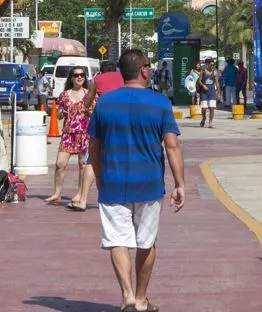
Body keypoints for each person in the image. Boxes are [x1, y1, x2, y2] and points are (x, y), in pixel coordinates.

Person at [88, 49, 184, 312]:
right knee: (146, 241)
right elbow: (172, 146)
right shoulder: (160, 103)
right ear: (143, 70)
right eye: (149, 67)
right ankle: (141, 299)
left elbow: (94, 147)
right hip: (149, 184)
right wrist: (180, 184)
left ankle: (128, 295)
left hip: (113, 182)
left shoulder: (104, 103)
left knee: (117, 239)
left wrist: (99, 176)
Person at [70, 60, 125, 212]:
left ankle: (83, 199)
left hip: (104, 119)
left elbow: (87, 102)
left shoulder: (96, 80)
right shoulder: (124, 78)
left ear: (101, 71)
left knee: (91, 159)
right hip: (124, 121)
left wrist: (88, 107)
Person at [44, 68, 92, 205]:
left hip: (84, 133)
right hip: (68, 134)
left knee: (83, 164)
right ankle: (57, 193)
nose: (79, 77)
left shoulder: (89, 95)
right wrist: (60, 112)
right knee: (60, 164)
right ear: (71, 78)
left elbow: (95, 114)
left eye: (82, 75)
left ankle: (80, 194)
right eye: (76, 75)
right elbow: (60, 115)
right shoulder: (64, 95)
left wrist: (89, 112)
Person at [197, 59, 218, 128]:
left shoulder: (215, 72)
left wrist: (218, 93)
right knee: (204, 108)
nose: (212, 66)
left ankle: (210, 123)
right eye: (211, 65)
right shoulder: (203, 71)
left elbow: (217, 83)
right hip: (204, 92)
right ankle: (204, 118)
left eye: (213, 65)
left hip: (212, 92)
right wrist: (203, 85)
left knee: (212, 108)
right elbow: (199, 81)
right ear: (208, 64)